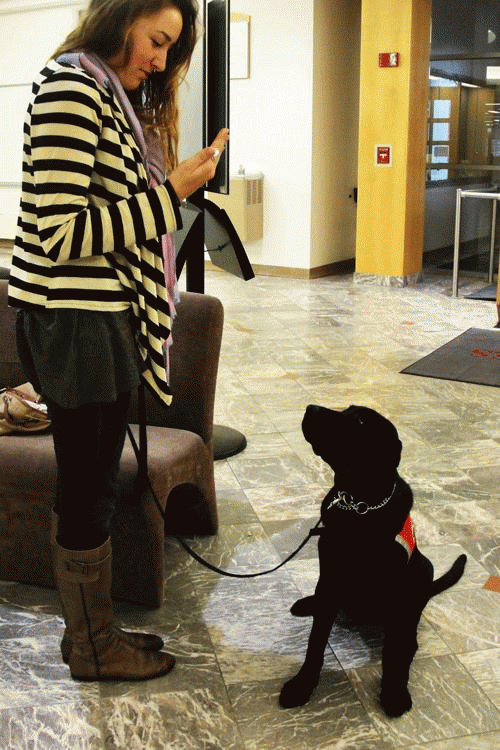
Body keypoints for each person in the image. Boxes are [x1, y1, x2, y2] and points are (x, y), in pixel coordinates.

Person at [8, 0, 228, 682]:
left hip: (97, 318)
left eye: (170, 50)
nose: (159, 60)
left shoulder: (107, 96)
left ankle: (90, 634)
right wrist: (175, 194)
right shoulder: (74, 88)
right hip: (76, 321)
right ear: (119, 17)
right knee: (88, 486)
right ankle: (94, 646)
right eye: (156, 41)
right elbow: (64, 235)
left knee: (95, 479)